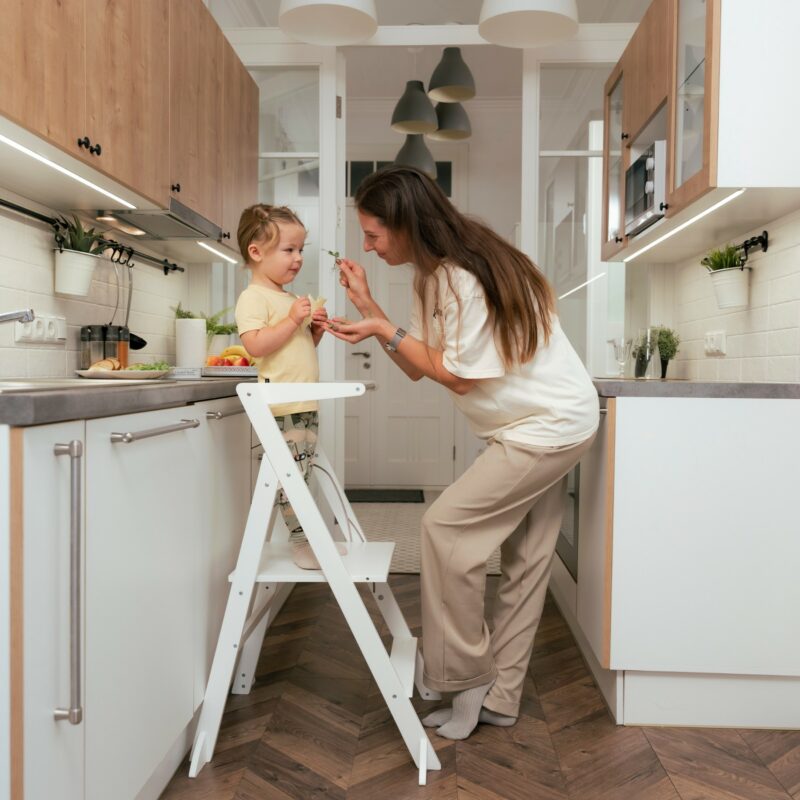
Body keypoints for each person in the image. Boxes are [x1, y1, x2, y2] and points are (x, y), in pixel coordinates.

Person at [326, 166, 599, 740]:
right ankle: (500, 697)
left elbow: (456, 377)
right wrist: (374, 315)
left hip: (547, 426)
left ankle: (465, 678)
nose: (367, 246)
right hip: (538, 423)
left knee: (444, 529)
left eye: (374, 235)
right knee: (525, 558)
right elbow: (425, 367)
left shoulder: (460, 278)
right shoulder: (434, 277)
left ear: (405, 226)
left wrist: (382, 325)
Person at [234, 203, 330, 567]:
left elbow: (295, 349)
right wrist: (292, 321)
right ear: (256, 253)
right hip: (282, 406)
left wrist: (314, 331)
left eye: (300, 249)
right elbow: (256, 346)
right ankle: (302, 544)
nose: (298, 258)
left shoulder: (289, 298)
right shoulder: (253, 297)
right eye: (289, 250)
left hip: (303, 402)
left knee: (302, 472)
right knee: (293, 476)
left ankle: (309, 539)